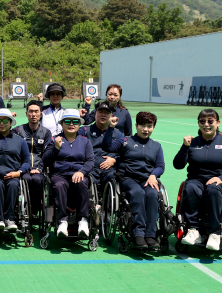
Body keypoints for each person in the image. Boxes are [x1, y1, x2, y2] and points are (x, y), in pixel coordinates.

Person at [173, 109, 222, 251]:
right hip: (196, 180)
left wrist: (221, 178)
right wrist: (184, 147)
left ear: (218, 123)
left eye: (210, 121)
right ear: (198, 123)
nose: (206, 124)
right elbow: (178, 165)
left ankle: (215, 233)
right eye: (202, 121)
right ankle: (193, 230)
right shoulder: (192, 143)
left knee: (212, 189)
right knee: (191, 187)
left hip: (219, 182)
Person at [103, 111, 165, 250]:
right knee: (138, 193)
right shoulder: (125, 141)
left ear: (153, 127)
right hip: (128, 178)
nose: (145, 129)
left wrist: (153, 175)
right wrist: (110, 128)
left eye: (149, 126)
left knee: (153, 195)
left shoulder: (156, 146)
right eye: (142, 125)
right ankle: (138, 234)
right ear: (136, 126)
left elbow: (160, 166)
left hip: (147, 179)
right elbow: (107, 147)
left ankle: (150, 235)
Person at [43, 109, 95, 239]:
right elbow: (45, 160)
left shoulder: (85, 141)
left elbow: (90, 161)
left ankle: (83, 220)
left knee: (82, 183)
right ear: (61, 123)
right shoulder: (55, 139)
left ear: (79, 124)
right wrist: (56, 148)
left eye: (75, 121)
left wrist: (81, 171)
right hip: (59, 174)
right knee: (59, 185)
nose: (71, 124)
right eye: (67, 121)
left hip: (78, 174)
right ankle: (62, 221)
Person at [12, 100, 53, 215]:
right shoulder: (17, 130)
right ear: (26, 114)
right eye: (31, 111)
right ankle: (20, 209)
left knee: (36, 180)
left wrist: (39, 168)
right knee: (26, 179)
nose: (33, 114)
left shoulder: (46, 133)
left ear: (41, 114)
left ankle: (34, 210)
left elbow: (47, 153)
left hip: (39, 169)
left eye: (36, 111)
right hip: (22, 168)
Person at [78, 101, 123, 191]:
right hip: (89, 169)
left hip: (109, 170)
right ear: (95, 114)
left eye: (106, 113)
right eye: (100, 112)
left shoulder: (118, 134)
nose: (103, 115)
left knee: (116, 178)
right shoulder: (85, 131)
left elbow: (126, 153)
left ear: (111, 116)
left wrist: (115, 160)